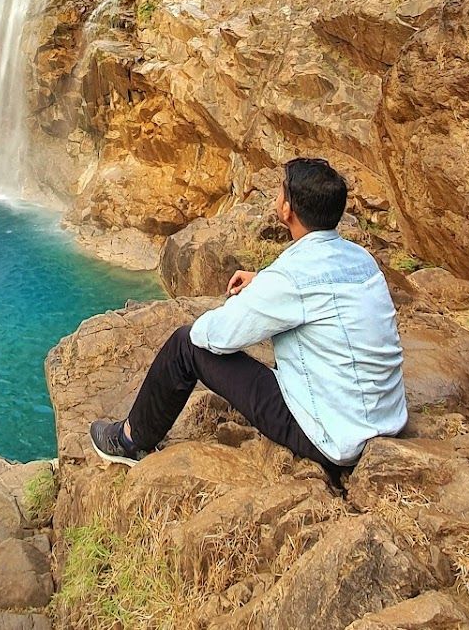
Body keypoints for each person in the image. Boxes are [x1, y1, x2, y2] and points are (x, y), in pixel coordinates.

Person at [89, 157, 407, 484]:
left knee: (186, 344)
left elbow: (219, 336)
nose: (276, 197)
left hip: (331, 438)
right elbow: (314, 287)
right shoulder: (361, 259)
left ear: (288, 209)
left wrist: (253, 298)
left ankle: (129, 440)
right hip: (386, 419)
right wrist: (264, 281)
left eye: (280, 191)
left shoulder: (292, 277)